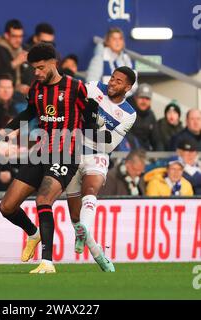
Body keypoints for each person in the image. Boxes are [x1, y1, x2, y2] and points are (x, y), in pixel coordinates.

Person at [0, 43, 90, 273]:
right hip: (40, 153)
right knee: (7, 207)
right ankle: (34, 233)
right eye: (34, 68)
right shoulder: (36, 88)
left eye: (40, 67)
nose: (37, 72)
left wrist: (95, 137)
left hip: (66, 153)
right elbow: (29, 113)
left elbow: (91, 114)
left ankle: (47, 262)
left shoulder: (76, 87)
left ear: (53, 63)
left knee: (43, 200)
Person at [65, 67, 137, 271]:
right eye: (112, 79)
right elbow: (73, 104)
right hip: (74, 149)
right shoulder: (94, 88)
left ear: (128, 87)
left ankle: (84, 230)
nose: (113, 83)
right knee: (74, 215)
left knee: (91, 190)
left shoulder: (129, 114)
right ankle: (97, 252)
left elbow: (109, 145)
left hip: (97, 155)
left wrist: (90, 124)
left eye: (119, 81)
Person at [0, 19, 32, 95]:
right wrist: (14, 63)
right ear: (6, 35)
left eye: (20, 36)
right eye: (15, 36)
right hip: (4, 92)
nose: (18, 40)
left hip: (22, 91)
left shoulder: (23, 50)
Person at [129, 83, 161, 151]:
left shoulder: (151, 115)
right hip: (126, 154)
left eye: (147, 98)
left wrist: (160, 157)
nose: (144, 101)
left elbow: (156, 140)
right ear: (135, 97)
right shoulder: (126, 112)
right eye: (141, 97)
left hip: (145, 154)